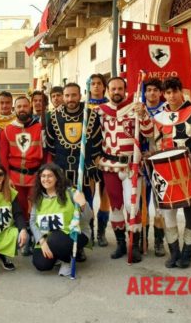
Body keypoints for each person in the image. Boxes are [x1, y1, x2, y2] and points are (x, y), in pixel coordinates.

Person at [152, 77, 191, 268]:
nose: (171, 96)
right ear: (164, 94)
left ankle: (187, 253)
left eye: (174, 92)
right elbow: (157, 142)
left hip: (189, 169)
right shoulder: (160, 116)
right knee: (168, 212)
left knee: (189, 211)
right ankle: (174, 253)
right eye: (168, 93)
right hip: (165, 171)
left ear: (181, 91)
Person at [94, 77, 153, 263]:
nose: (116, 91)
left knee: (131, 205)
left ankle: (133, 244)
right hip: (110, 165)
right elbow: (92, 136)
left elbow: (149, 132)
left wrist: (143, 115)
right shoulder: (100, 112)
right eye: (113, 89)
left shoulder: (136, 108)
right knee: (116, 206)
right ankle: (120, 243)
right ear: (107, 91)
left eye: (120, 88)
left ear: (125, 90)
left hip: (131, 165)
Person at [46, 82, 100, 252]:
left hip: (83, 169)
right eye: (67, 95)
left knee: (86, 204)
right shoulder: (53, 116)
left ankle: (85, 240)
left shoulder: (90, 115)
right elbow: (50, 144)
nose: (70, 99)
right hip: (62, 170)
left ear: (80, 95)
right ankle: (66, 239)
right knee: (63, 204)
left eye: (74, 95)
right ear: (63, 96)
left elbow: (97, 142)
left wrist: (90, 163)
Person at [0, 96, 47, 255]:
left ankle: (36, 238)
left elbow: (46, 154)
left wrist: (46, 173)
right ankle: (24, 239)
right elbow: (3, 157)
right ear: (14, 109)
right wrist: (7, 179)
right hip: (15, 177)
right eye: (19, 106)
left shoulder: (40, 128)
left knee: (36, 208)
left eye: (25, 106)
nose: (22, 109)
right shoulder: (7, 130)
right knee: (20, 209)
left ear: (31, 107)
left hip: (36, 176)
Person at [30, 163, 91, 275]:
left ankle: (67, 260)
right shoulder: (38, 198)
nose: (46, 179)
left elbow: (88, 218)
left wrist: (83, 204)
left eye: (50, 176)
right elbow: (32, 222)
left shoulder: (70, 193)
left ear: (57, 177)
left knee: (55, 239)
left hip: (75, 234)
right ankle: (58, 254)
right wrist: (42, 241)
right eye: (43, 176)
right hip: (48, 237)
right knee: (41, 264)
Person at [141, 78, 166, 257]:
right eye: (148, 90)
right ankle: (143, 239)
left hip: (160, 162)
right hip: (142, 163)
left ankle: (159, 241)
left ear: (160, 92)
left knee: (160, 207)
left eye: (155, 90)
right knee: (142, 204)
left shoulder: (167, 110)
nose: (152, 93)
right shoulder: (138, 108)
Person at [86, 74, 111, 248]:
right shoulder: (83, 108)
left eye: (99, 84)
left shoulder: (110, 107)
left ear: (104, 87)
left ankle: (102, 232)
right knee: (90, 196)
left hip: (109, 155)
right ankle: (90, 231)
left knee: (105, 196)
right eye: (92, 84)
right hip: (91, 157)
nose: (95, 86)